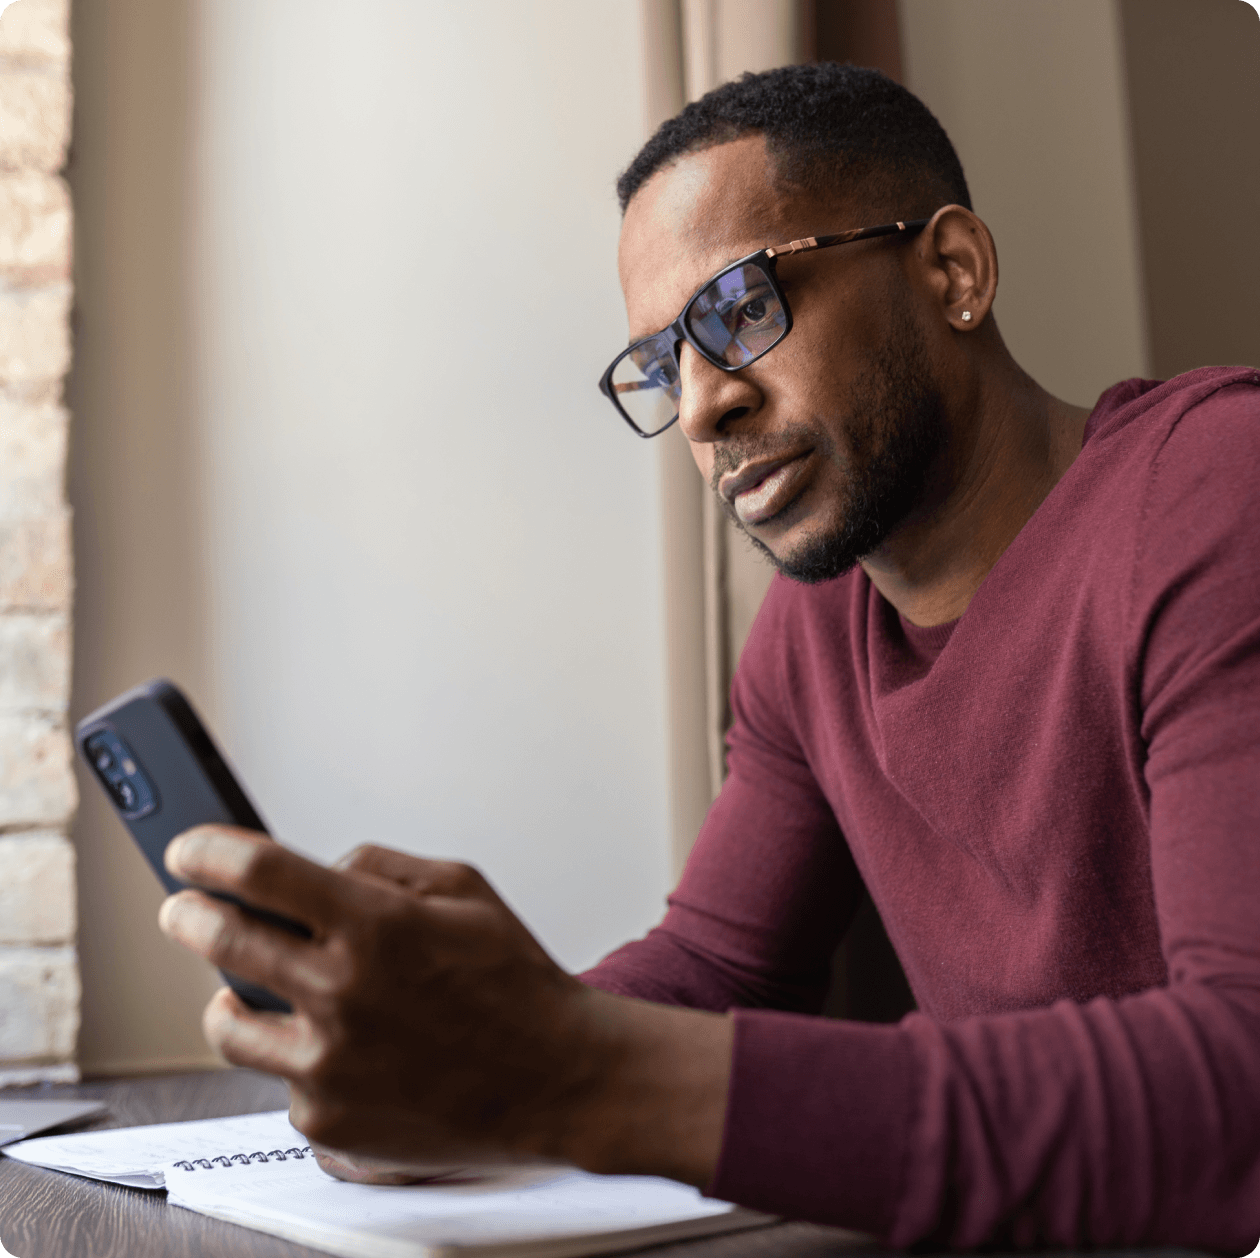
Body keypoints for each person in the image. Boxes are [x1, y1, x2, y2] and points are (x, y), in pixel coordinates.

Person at [156, 64, 1260, 1251]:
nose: (699, 409)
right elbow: (715, 963)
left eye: (740, 309)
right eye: (658, 364)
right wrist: (440, 1042)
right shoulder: (812, 626)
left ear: (953, 273)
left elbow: (1240, 1087)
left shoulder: (1214, 488)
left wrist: (559, 1068)